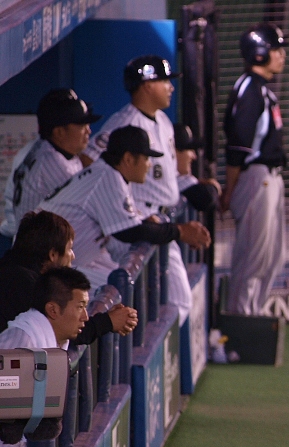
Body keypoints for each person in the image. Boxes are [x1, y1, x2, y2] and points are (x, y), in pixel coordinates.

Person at [81, 55, 197, 325]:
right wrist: (119, 197)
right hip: (134, 218)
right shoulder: (124, 122)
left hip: (158, 219)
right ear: (147, 85)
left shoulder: (163, 121)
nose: (171, 87)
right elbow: (89, 159)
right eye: (165, 80)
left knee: (160, 301)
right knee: (163, 299)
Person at [39, 126, 210, 292]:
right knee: (118, 292)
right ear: (128, 159)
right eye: (146, 158)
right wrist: (180, 231)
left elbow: (130, 226)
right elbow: (129, 232)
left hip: (60, 259)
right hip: (43, 265)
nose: (149, 165)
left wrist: (146, 224)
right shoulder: (107, 178)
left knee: (123, 288)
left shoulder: (108, 173)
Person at [0, 267, 93, 447]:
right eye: (80, 306)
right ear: (53, 309)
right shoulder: (22, 341)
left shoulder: (51, 337)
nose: (86, 316)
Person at [221, 23, 289, 315]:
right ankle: (239, 323)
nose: (282, 55)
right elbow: (239, 147)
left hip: (269, 178)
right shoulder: (249, 88)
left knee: (272, 256)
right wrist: (230, 190)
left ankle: (253, 317)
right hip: (255, 178)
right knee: (252, 256)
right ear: (260, 53)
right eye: (276, 49)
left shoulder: (261, 89)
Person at [0, 210, 137, 339]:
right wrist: (108, 322)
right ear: (53, 255)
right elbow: (60, 329)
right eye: (69, 249)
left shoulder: (12, 269)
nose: (73, 256)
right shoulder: (23, 283)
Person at [0, 89, 101, 241]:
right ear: (59, 132)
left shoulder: (50, 151)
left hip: (37, 245)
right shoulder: (52, 163)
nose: (88, 130)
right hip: (36, 252)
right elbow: (92, 211)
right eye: (81, 125)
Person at [174, 122, 220, 214]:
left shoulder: (179, 177)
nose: (194, 156)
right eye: (189, 150)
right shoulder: (170, 177)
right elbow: (207, 198)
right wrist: (214, 187)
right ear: (174, 152)